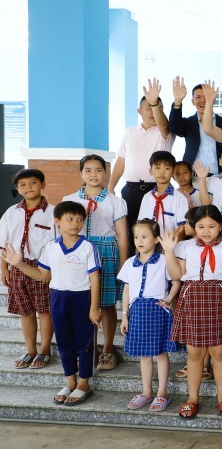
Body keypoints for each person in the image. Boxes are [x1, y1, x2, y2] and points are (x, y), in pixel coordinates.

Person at [4, 201, 101, 406]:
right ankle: (70, 381)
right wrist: (19, 264)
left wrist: (94, 307)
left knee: (84, 344)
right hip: (58, 298)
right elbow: (42, 275)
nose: (75, 223)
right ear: (57, 222)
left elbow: (94, 279)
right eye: (70, 219)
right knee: (65, 343)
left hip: (82, 298)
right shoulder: (51, 247)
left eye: (79, 219)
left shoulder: (88, 247)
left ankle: (84, 383)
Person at [163, 206, 222, 419]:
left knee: (219, 352)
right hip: (193, 298)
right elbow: (176, 274)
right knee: (195, 353)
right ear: (193, 227)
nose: (206, 231)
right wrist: (169, 251)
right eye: (201, 226)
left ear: (220, 226)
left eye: (212, 226)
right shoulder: (185, 247)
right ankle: (192, 398)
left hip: (219, 299)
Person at [63, 155, 129, 371]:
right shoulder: (69, 199)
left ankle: (109, 348)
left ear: (105, 173)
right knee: (83, 302)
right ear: (81, 173)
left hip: (106, 252)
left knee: (107, 303)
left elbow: (122, 234)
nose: (94, 175)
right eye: (88, 170)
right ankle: (90, 348)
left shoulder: (115, 201)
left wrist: (122, 262)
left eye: (99, 170)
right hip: (78, 252)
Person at [119, 219, 180, 412]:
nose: (139, 241)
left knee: (160, 353)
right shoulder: (130, 263)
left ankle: (162, 393)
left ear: (155, 239)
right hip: (137, 311)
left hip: (157, 310)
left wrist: (169, 299)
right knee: (144, 355)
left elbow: (176, 281)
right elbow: (127, 289)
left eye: (144, 237)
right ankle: (147, 392)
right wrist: (125, 314)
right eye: (136, 237)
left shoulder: (163, 260)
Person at [0, 169, 56, 370]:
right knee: (26, 311)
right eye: (22, 184)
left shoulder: (52, 213)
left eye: (33, 183)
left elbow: (57, 244)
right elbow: (3, 243)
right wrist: (4, 269)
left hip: (42, 267)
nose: (28, 187)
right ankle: (30, 349)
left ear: (43, 185)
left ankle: (44, 350)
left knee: (45, 310)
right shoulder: (11, 213)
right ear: (17, 189)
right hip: (16, 267)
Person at [109, 80, 174, 244]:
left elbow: (164, 125)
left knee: (155, 232)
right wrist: (111, 187)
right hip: (130, 190)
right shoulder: (130, 132)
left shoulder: (164, 132)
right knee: (131, 232)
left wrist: (154, 103)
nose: (153, 112)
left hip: (156, 189)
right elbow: (121, 161)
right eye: (149, 108)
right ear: (140, 111)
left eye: (157, 109)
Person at [168, 77, 222, 175]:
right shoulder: (188, 123)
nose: (203, 100)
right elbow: (174, 127)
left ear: (213, 99)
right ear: (193, 101)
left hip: (220, 177)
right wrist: (177, 101)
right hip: (194, 178)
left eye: (206, 96)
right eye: (198, 97)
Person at [138, 151, 190, 234]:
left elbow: (182, 229)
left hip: (171, 245)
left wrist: (170, 246)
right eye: (157, 168)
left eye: (167, 168)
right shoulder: (146, 197)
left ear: (173, 172)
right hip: (148, 245)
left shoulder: (180, 198)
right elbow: (140, 226)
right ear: (151, 171)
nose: (162, 172)